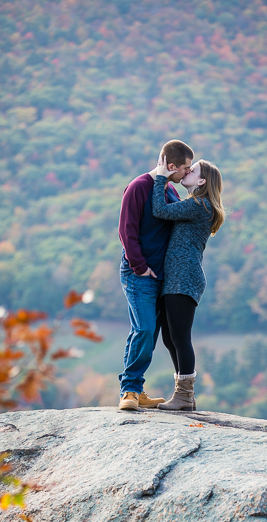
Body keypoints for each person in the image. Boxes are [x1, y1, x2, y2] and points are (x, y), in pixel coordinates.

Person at [117, 139, 194, 411]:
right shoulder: (138, 187)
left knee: (145, 331)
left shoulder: (169, 189)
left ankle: (136, 389)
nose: (188, 172)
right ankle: (129, 391)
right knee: (145, 328)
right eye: (185, 168)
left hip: (163, 276)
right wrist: (140, 266)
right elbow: (127, 231)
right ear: (171, 166)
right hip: (140, 273)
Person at [151, 156, 225, 411]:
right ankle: (184, 395)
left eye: (192, 170)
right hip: (176, 277)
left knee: (180, 337)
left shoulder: (199, 205)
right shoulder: (195, 204)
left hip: (184, 278)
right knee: (170, 338)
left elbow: (159, 210)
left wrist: (160, 177)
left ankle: (185, 396)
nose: (187, 172)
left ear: (202, 181)